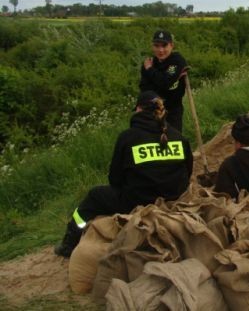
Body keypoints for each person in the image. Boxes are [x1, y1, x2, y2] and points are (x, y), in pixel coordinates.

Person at [54, 91, 193, 257]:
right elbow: (188, 171)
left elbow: (115, 179)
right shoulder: (178, 137)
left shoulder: (128, 138)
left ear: (139, 109)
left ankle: (69, 244)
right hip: (174, 198)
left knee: (94, 197)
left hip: (137, 202)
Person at [139, 30, 188, 132]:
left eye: (164, 46)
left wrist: (150, 71)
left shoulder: (177, 61)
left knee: (174, 141)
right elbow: (144, 88)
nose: (160, 50)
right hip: (152, 110)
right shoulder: (149, 63)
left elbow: (165, 82)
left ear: (171, 46)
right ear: (152, 47)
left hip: (172, 109)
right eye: (157, 46)